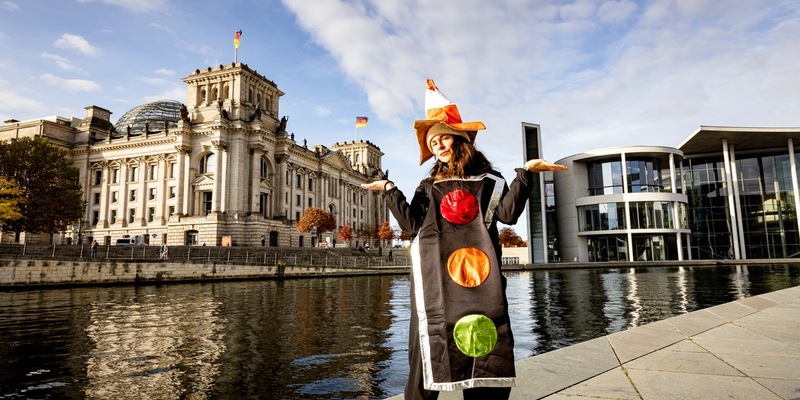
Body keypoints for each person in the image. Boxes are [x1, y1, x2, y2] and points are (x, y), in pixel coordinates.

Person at [362, 79, 567, 400]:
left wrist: (526, 174)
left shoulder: (489, 180)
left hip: (478, 280)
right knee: (428, 352)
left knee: (482, 345)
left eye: (443, 138)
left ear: (459, 139)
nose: (439, 146)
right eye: (433, 143)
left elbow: (508, 214)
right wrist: (390, 190)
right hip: (434, 281)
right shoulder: (428, 185)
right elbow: (412, 225)